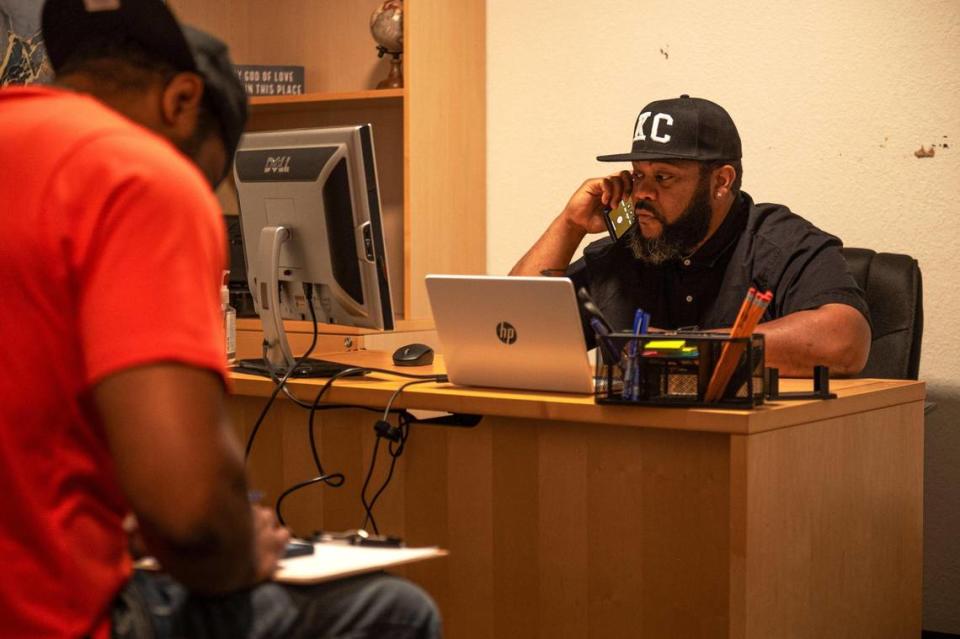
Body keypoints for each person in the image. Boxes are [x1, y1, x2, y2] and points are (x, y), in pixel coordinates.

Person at [0, 1, 439, 638]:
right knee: (393, 612)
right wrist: (246, 549)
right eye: (207, 180)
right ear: (180, 101)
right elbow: (192, 518)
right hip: (49, 617)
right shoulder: (139, 175)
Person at [511, 95, 871, 377]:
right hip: (625, 452)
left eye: (663, 177)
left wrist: (677, 349)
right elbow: (510, 332)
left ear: (721, 181)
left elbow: (845, 340)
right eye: (638, 176)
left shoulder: (778, 242)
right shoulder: (628, 248)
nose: (641, 194)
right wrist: (569, 226)